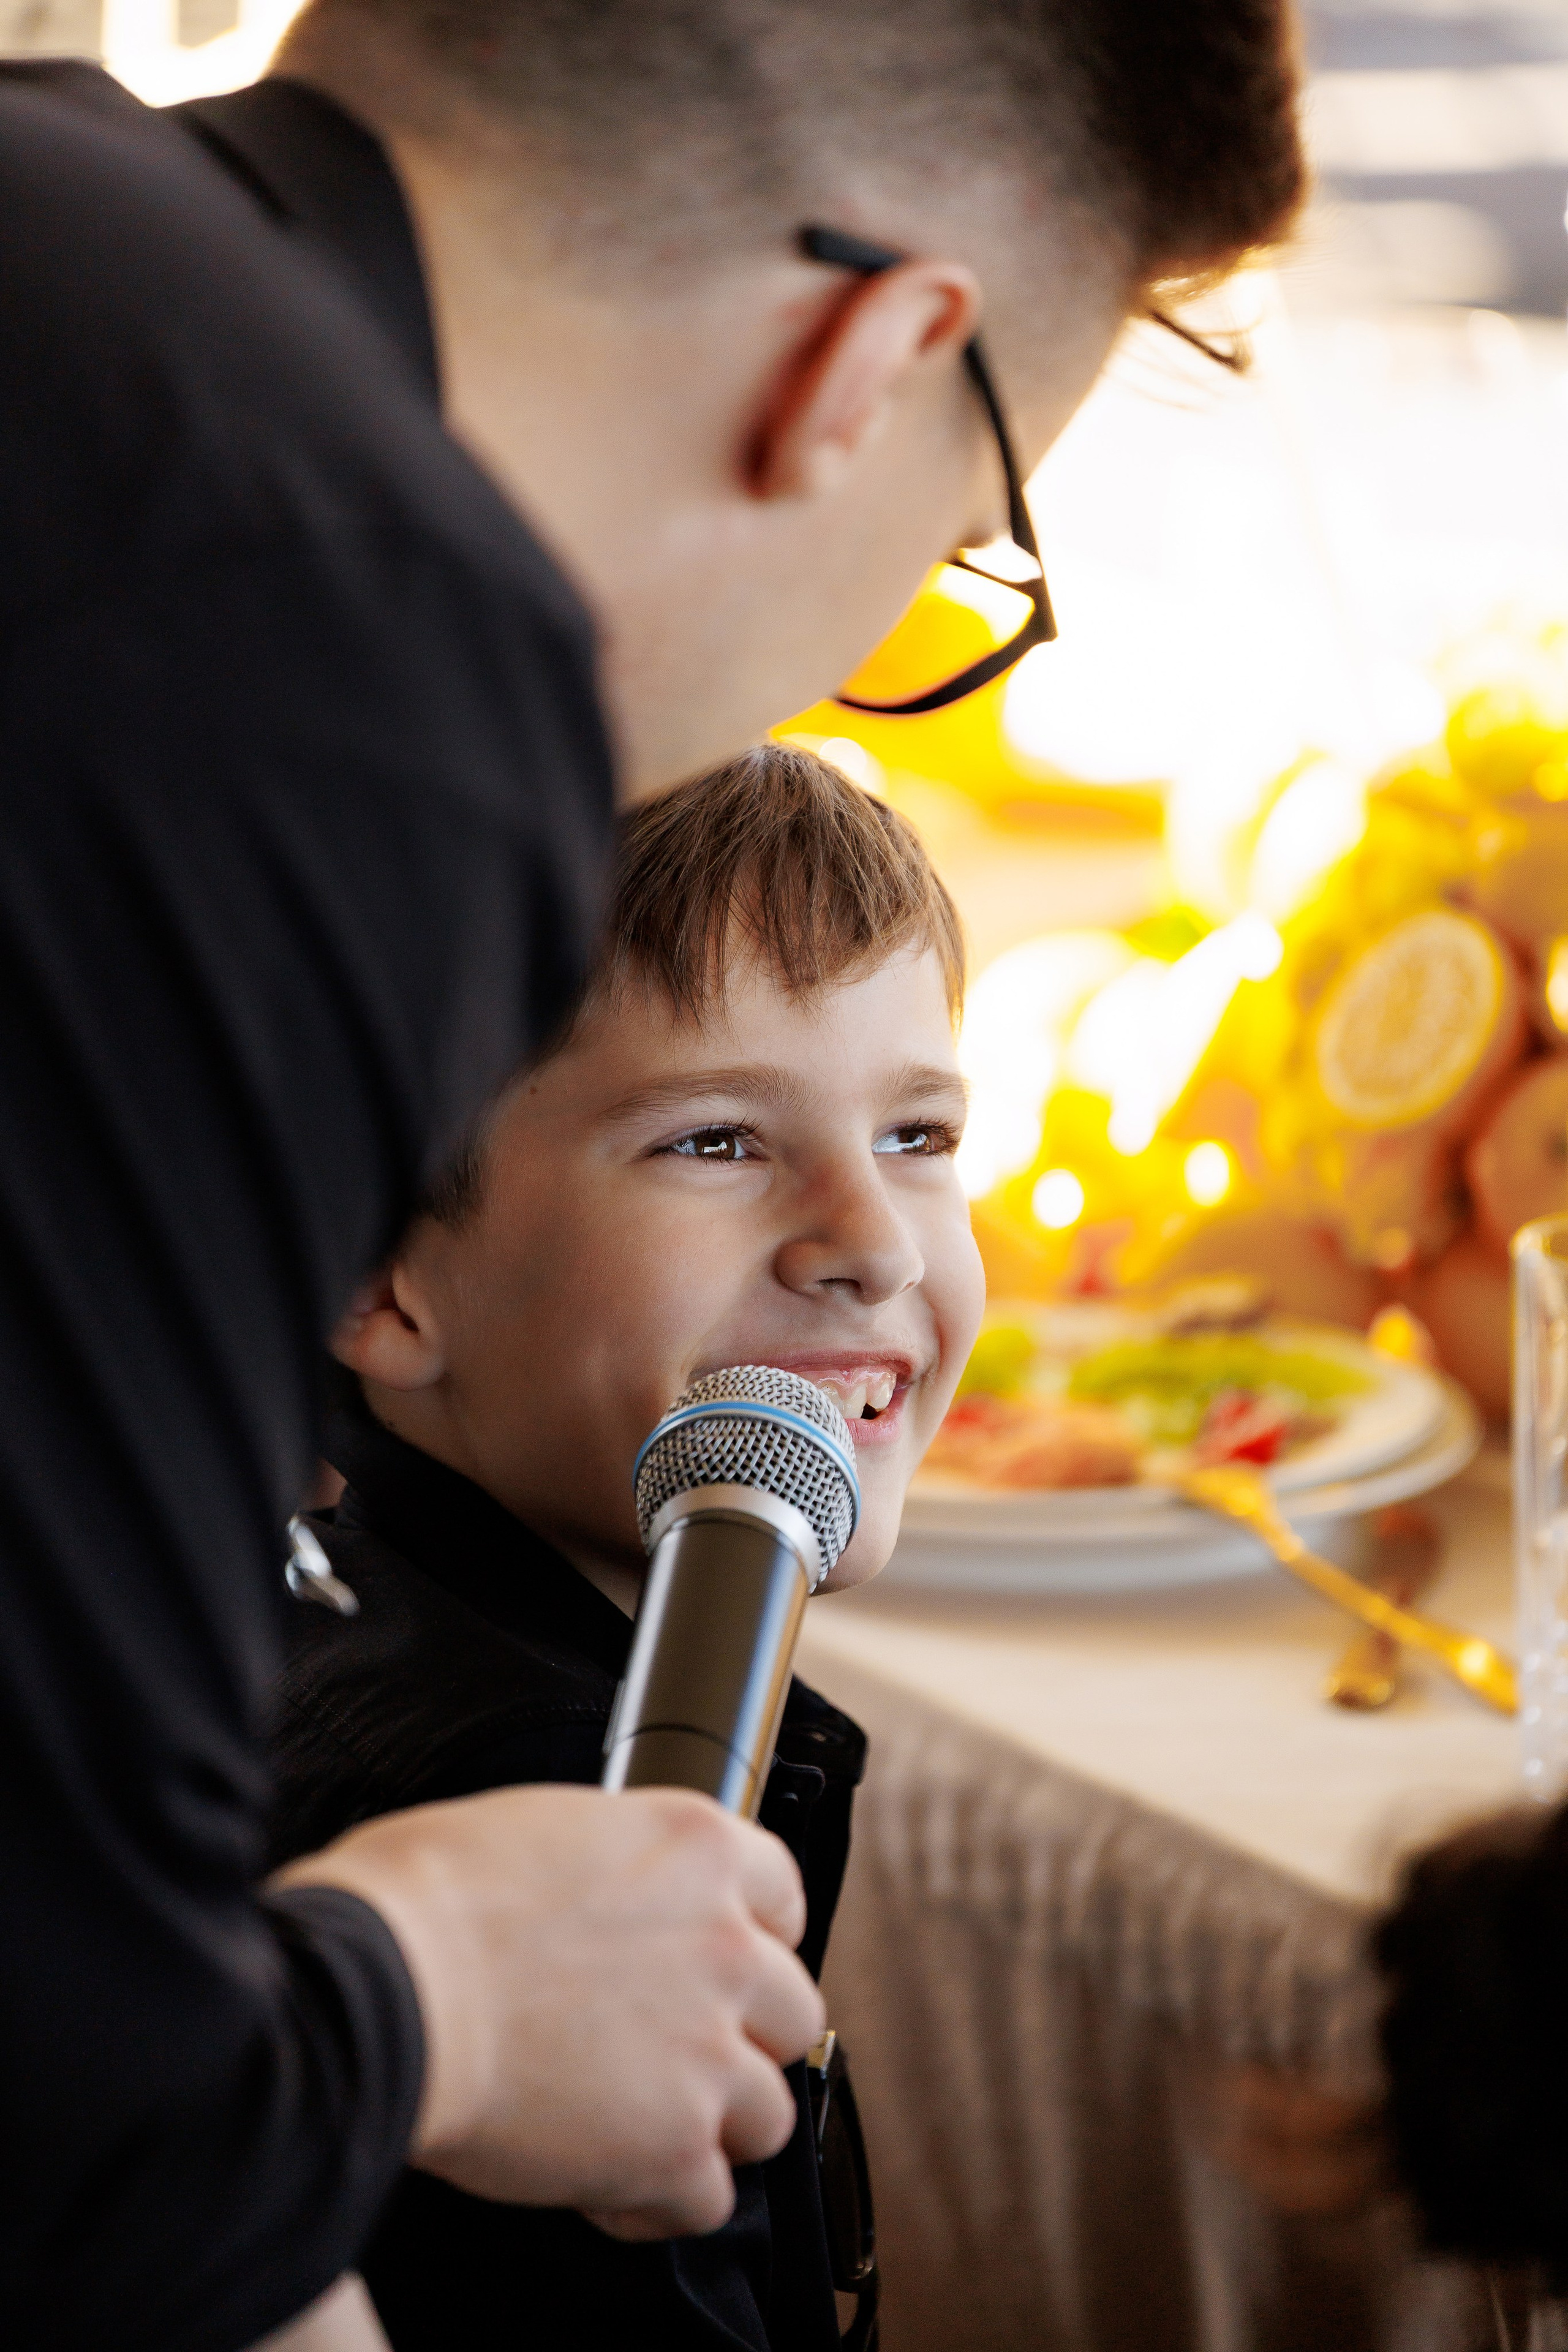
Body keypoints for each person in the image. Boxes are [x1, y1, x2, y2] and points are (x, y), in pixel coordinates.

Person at [0, 5, 1305, 2344]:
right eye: (973, 531)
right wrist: (447, 1997)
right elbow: (68, 2114)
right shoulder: (298, 657)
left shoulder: (68, 236)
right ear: (873, 362)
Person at [276, 742, 983, 2349]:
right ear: (376, 1276)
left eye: (920, 1138)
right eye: (717, 1141)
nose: (871, 1242)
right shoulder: (525, 1831)